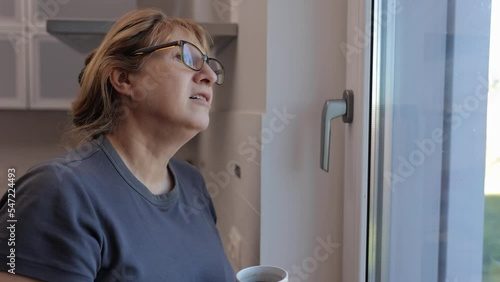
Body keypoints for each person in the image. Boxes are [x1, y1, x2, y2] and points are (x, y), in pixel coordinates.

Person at [0, 8, 234, 282]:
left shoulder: (192, 182)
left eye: (208, 63)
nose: (209, 75)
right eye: (185, 56)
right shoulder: (56, 192)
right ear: (124, 79)